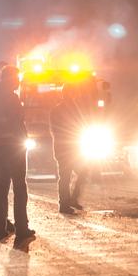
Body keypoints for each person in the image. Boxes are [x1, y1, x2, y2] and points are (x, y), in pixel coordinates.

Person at [0, 65, 35, 246]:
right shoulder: (9, 97)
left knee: (0, 189)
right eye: (16, 77)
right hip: (11, 150)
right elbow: (15, 123)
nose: (18, 81)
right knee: (19, 188)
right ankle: (21, 228)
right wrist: (19, 140)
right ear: (8, 78)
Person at [50, 83, 87, 214]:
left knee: (81, 172)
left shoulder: (71, 109)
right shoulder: (61, 110)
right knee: (66, 177)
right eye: (73, 93)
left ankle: (71, 200)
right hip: (66, 149)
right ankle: (64, 204)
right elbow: (57, 130)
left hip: (72, 149)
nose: (75, 95)